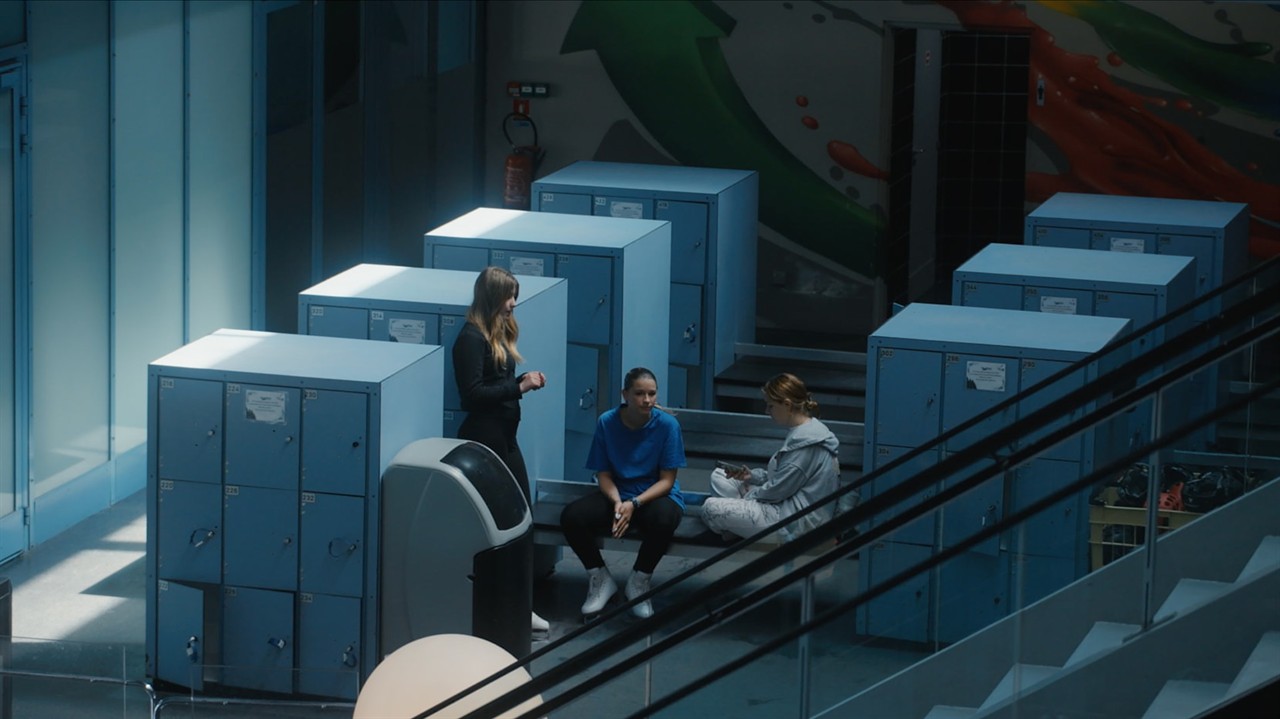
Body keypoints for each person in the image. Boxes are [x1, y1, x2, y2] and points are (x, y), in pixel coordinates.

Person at [452, 266, 549, 633]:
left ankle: (520, 604)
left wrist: (519, 382)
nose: (513, 304)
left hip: (505, 439)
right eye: (509, 296)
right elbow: (472, 397)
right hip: (485, 440)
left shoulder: (496, 333)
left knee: (521, 522)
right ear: (493, 296)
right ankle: (505, 606)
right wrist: (519, 387)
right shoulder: (470, 339)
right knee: (502, 526)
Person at [559, 367, 686, 619]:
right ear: (625, 394)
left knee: (665, 519)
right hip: (619, 494)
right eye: (639, 393)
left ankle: (639, 581)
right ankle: (600, 577)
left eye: (652, 394)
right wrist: (618, 502)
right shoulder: (607, 421)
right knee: (572, 517)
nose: (647, 400)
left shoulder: (668, 425)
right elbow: (603, 473)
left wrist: (633, 504)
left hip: (653, 497)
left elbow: (667, 481)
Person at [700, 373, 840, 543]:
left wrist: (749, 496)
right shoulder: (805, 431)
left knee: (710, 508)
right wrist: (752, 476)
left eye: (771, 406)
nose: (767, 411)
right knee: (719, 475)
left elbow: (777, 491)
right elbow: (783, 478)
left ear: (787, 405)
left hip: (793, 522)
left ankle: (736, 527)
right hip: (783, 502)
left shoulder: (807, 444)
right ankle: (739, 527)